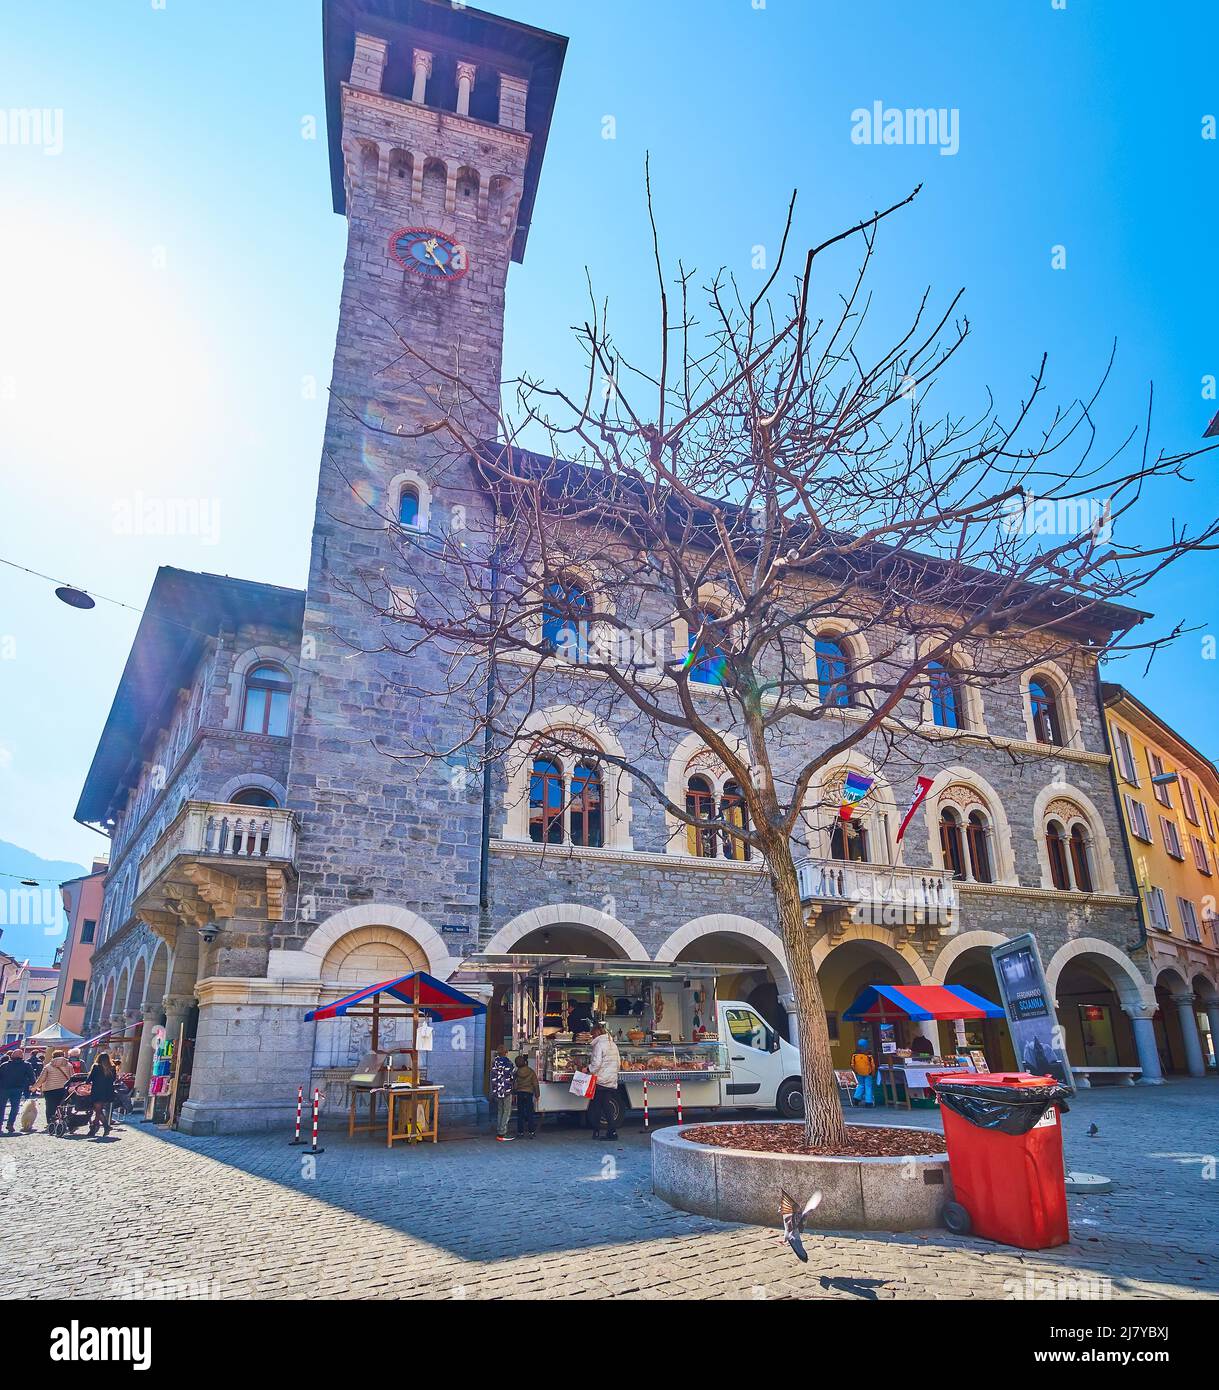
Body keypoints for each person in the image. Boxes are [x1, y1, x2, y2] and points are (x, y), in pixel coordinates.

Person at [586, 1023, 621, 1139]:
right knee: (604, 1105)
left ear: (596, 1033)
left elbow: (596, 1064)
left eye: (592, 1035)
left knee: (598, 1106)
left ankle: (603, 1131)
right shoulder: (613, 1044)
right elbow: (619, 1063)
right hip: (610, 1079)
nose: (591, 1037)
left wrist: (587, 1069)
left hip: (600, 1080)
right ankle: (609, 1131)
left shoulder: (599, 1045)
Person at [33, 1050, 77, 1129]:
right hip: (64, 1089)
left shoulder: (48, 1066)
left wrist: (34, 1088)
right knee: (62, 1106)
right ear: (63, 1055)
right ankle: (62, 1120)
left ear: (53, 1056)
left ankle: (51, 1123)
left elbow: (41, 1079)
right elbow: (73, 1077)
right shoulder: (69, 1065)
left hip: (50, 1090)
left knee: (50, 1107)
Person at [0, 1049, 35, 1135]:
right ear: (22, 1056)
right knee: (15, 1107)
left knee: (1, 1107)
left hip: (3, 1088)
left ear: (12, 1056)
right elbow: (32, 1077)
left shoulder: (4, 1065)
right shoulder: (26, 1065)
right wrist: (33, 1085)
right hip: (18, 1088)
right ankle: (10, 1124)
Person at [86, 1051, 118, 1138]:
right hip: (107, 1092)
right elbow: (113, 1079)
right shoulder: (112, 1068)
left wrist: (87, 1082)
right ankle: (103, 1127)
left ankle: (96, 1128)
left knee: (98, 1110)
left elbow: (89, 1079)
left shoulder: (96, 1067)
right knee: (98, 1110)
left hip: (97, 1091)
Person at [490, 1044, 515, 1143]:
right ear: (506, 1053)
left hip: (497, 1090)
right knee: (507, 1111)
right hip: (506, 1090)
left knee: (500, 1110)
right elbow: (512, 1076)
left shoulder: (494, 1063)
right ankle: (502, 1132)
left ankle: (499, 1129)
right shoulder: (508, 1063)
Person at [513, 1053, 540, 1138]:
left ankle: (520, 1132)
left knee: (520, 1113)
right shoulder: (531, 1071)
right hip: (529, 1093)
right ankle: (531, 1131)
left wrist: (514, 1093)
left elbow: (514, 1083)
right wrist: (537, 1095)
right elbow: (535, 1084)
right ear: (525, 1062)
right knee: (530, 1113)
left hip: (520, 1093)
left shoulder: (517, 1073)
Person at [851, 1037, 878, 1106]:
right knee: (868, 1086)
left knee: (860, 1085)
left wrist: (855, 1071)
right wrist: (873, 1072)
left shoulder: (854, 1055)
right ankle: (868, 1101)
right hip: (868, 1073)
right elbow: (873, 1065)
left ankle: (856, 1098)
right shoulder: (869, 1055)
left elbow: (852, 1064)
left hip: (859, 1072)